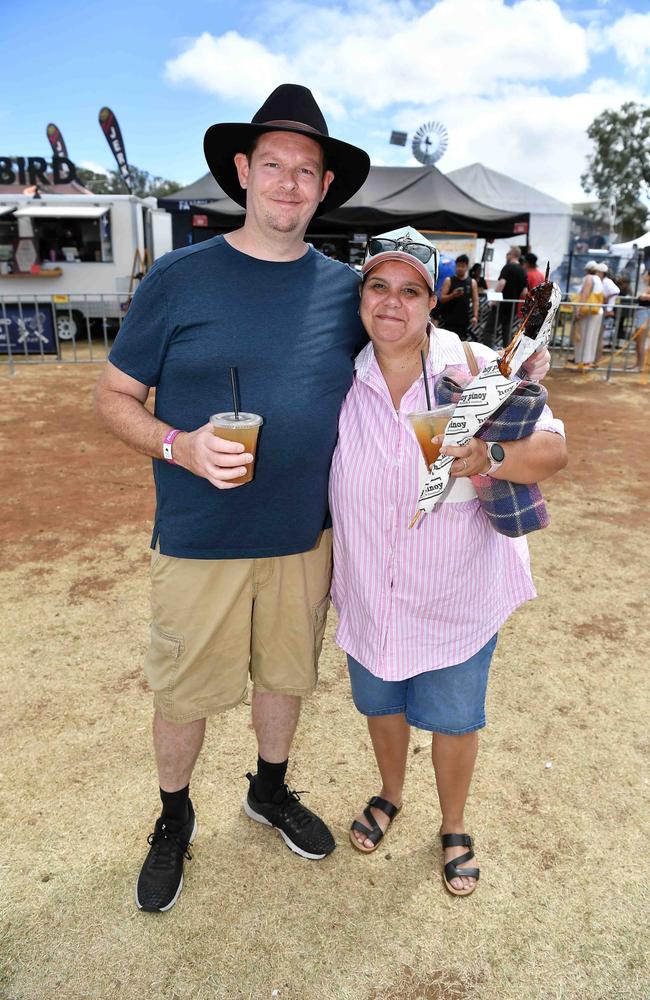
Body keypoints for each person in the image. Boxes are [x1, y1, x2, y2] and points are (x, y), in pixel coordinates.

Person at [93, 83, 371, 913]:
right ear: (244, 172)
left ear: (324, 188)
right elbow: (112, 397)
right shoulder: (179, 278)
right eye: (274, 164)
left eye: (306, 170)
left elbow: (415, 362)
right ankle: (173, 815)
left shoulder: (347, 292)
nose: (289, 183)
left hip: (301, 536)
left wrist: (500, 377)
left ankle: (270, 789)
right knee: (184, 692)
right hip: (198, 534)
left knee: (285, 676)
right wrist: (177, 445)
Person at [328, 228, 567, 896]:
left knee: (456, 719)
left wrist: (489, 456)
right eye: (379, 286)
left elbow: (553, 450)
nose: (392, 303)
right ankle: (389, 793)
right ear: (361, 297)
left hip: (457, 592)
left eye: (411, 290)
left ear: (433, 301)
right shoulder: (341, 377)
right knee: (381, 704)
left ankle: (454, 824)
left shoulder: (474, 368)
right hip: (371, 589)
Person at [439, 254, 479, 340]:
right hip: (449, 319)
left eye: (462, 266)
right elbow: (442, 299)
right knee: (447, 344)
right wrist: (452, 295)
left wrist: (475, 316)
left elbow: (475, 300)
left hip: (464, 320)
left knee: (461, 345)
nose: (460, 268)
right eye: (458, 266)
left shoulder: (472, 282)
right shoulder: (449, 280)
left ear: (467, 267)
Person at [573, 261, 604, 366]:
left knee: (584, 336)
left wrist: (578, 309)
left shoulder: (589, 278)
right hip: (596, 311)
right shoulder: (598, 279)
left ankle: (583, 360)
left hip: (588, 311)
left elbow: (585, 294)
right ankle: (588, 359)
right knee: (591, 336)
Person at [494, 246, 527, 346]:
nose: (506, 256)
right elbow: (525, 292)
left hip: (500, 304)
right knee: (507, 332)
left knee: (489, 330)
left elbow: (501, 283)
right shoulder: (523, 270)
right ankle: (506, 356)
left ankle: (486, 353)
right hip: (512, 307)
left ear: (512, 255)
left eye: (508, 253)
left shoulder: (507, 267)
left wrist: (494, 299)